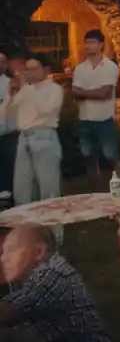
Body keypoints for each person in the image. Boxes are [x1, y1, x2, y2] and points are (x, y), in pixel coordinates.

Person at [0, 224, 117, 342]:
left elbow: (5, 313)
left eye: (9, 250)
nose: (3, 259)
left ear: (38, 251)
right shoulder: (20, 282)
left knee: (4, 340)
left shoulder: (53, 273)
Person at [0, 56, 64, 232]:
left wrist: (28, 90)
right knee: (22, 191)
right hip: (24, 139)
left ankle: (54, 236)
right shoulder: (24, 90)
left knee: (48, 192)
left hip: (44, 138)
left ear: (46, 70)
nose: (29, 73)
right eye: (27, 69)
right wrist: (11, 94)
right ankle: (28, 236)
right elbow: (6, 113)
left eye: (34, 69)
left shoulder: (54, 89)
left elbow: (46, 110)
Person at [71, 30, 120, 186]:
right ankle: (96, 190)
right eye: (86, 42)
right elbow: (75, 92)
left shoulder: (110, 67)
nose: (88, 46)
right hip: (85, 119)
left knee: (111, 156)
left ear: (101, 45)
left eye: (92, 42)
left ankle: (119, 189)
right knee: (89, 157)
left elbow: (105, 93)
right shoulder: (80, 68)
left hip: (104, 119)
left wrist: (84, 92)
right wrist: (94, 92)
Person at [0, 50, 17, 198]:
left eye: (1, 61)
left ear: (5, 65)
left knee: (8, 165)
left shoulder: (11, 84)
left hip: (8, 133)